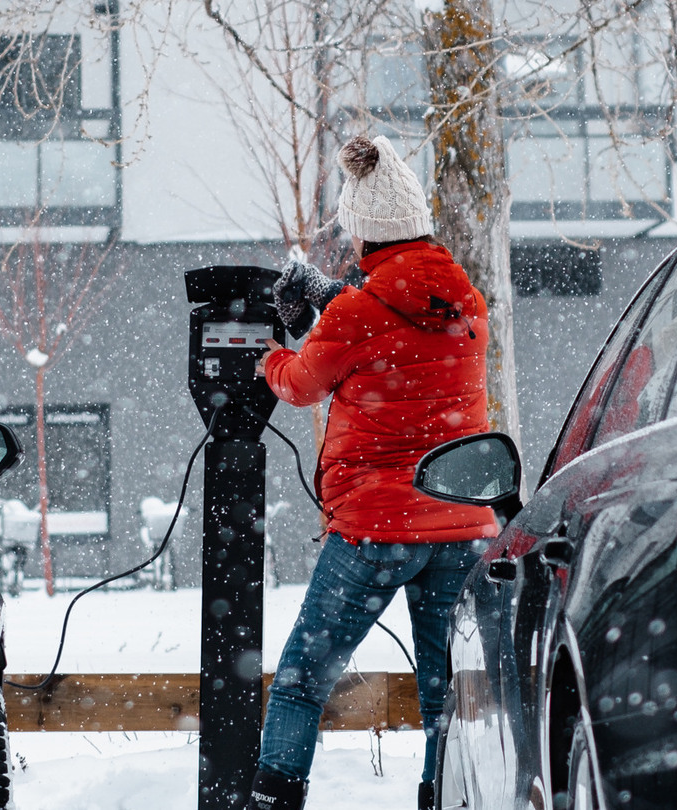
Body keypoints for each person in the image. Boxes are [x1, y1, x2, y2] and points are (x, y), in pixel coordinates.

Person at [245, 134, 498, 810]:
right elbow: (401, 327)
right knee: (447, 696)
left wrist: (268, 353)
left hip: (375, 528)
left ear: (364, 232)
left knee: (302, 682)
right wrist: (335, 298)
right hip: (462, 525)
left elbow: (301, 383)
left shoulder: (356, 314)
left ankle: (274, 798)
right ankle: (442, 798)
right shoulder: (468, 303)